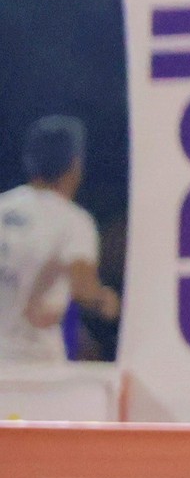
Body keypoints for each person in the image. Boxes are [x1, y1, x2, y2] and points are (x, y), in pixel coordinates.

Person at [0, 116, 117, 364]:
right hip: (35, 363)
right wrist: (106, 300)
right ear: (75, 165)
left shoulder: (3, 206)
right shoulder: (72, 220)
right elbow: (83, 288)